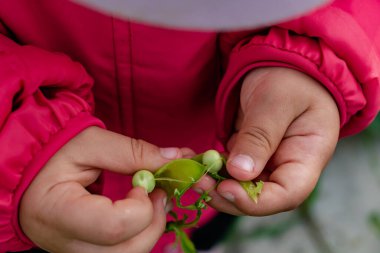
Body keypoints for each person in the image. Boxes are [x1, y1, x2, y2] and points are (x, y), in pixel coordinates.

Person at [0, 0, 379, 252]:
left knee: (203, 232)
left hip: (202, 196)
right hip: (21, 205)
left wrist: (307, 59)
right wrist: (15, 144)